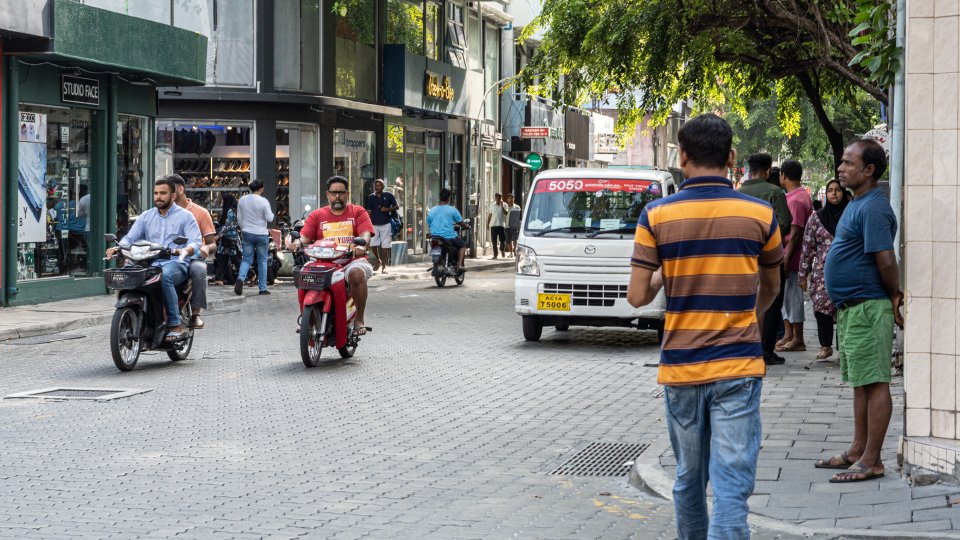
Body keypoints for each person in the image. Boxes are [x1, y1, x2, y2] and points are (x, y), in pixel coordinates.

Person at [626, 114, 782, 538]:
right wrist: (750, 317)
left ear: (683, 156)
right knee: (732, 488)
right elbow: (772, 285)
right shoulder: (760, 214)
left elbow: (637, 296)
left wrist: (665, 271)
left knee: (688, 481)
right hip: (738, 367)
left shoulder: (656, 216)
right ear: (731, 156)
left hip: (681, 368)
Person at [816, 139, 902, 483]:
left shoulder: (874, 208)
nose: (841, 168)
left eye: (849, 163)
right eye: (842, 162)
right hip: (853, 309)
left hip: (869, 307)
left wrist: (894, 295)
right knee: (860, 383)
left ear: (869, 170)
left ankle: (873, 461)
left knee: (876, 382)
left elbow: (885, 258)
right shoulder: (857, 202)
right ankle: (857, 450)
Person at [106, 177, 202, 341]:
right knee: (125, 273)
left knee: (164, 276)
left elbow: (196, 241)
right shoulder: (146, 216)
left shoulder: (186, 216)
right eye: (156, 193)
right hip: (149, 262)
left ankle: (174, 325)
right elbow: (130, 238)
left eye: (163, 193)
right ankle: (131, 314)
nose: (158, 197)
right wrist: (118, 248)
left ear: (172, 195)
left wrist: (185, 249)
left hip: (175, 263)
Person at [294, 176, 375, 334]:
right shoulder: (317, 215)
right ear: (327, 195)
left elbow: (366, 234)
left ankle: (359, 319)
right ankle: (307, 318)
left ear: (347, 194)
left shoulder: (358, 212)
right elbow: (304, 237)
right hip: (322, 262)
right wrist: (296, 243)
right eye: (333, 193)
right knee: (303, 273)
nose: (337, 196)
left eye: (341, 192)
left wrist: (362, 244)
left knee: (357, 274)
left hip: (351, 261)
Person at [738, 152, 792, 366]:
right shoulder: (775, 192)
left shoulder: (738, 192)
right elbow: (785, 223)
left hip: (743, 257)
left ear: (748, 169)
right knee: (772, 300)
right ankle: (766, 349)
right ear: (769, 170)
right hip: (770, 255)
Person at [799, 179, 850, 360]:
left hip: (848, 270)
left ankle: (844, 346)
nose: (834, 194)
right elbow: (807, 248)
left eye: (837, 190)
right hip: (822, 272)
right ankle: (825, 345)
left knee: (845, 307)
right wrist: (803, 275)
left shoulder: (850, 215)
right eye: (830, 190)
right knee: (821, 305)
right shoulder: (816, 218)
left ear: (843, 193)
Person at [170, 174, 216, 329]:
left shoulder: (200, 213)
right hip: (168, 255)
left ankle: (196, 313)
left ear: (180, 189)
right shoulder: (162, 212)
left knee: (198, 270)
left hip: (193, 256)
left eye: (168, 190)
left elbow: (212, 244)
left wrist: (206, 248)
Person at [776, 159, 813, 352]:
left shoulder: (797, 199)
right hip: (788, 255)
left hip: (794, 257)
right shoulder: (793, 196)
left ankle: (798, 337)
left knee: (794, 296)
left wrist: (786, 258)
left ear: (784, 175)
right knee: (787, 297)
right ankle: (788, 334)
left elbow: (796, 232)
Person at [235, 179, 275, 296]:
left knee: (246, 259)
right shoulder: (264, 201)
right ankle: (262, 288)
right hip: (261, 233)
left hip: (247, 232)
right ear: (261, 188)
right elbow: (269, 218)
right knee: (262, 261)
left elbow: (239, 217)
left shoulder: (242, 200)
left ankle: (241, 278)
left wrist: (243, 228)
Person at [427, 188, 468, 270]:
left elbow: (429, 223)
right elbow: (460, 222)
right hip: (448, 237)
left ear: (440, 197)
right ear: (449, 198)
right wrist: (466, 226)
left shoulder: (432, 210)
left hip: (435, 236)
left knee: (435, 246)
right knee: (462, 245)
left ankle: (437, 262)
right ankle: (460, 265)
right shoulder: (452, 210)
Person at [365, 178, 399, 274]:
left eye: (379, 185)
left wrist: (387, 209)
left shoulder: (389, 195)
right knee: (373, 244)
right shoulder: (371, 197)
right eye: (375, 185)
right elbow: (369, 212)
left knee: (385, 246)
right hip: (374, 224)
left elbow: (396, 206)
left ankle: (384, 266)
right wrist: (366, 223)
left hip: (386, 224)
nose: (377, 187)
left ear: (383, 187)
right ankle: (378, 259)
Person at [214, 193, 242, 286]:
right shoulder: (233, 209)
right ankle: (219, 279)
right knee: (221, 256)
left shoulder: (230, 211)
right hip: (227, 238)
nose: (222, 203)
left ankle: (251, 275)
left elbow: (228, 225)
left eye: (223, 201)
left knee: (235, 259)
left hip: (230, 238)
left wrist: (219, 235)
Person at [486, 193, 508, 259]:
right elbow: (490, 215)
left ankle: (502, 250)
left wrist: (502, 206)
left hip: (501, 225)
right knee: (494, 241)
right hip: (493, 225)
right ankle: (495, 254)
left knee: (502, 240)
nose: (498, 199)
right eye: (497, 198)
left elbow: (506, 213)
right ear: (495, 198)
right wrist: (487, 224)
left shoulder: (504, 205)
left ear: (501, 198)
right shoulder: (492, 205)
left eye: (500, 198)